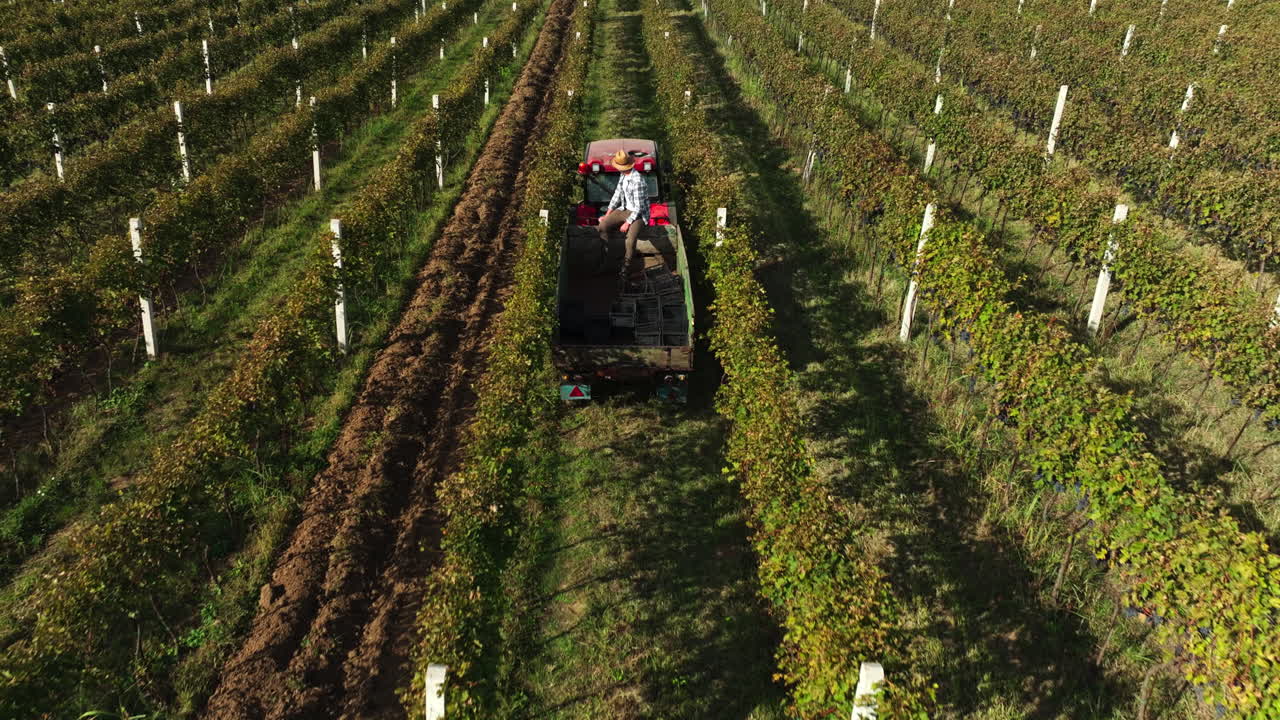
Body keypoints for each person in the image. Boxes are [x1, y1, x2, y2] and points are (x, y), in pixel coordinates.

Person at [597, 149, 650, 291]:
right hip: (624, 209)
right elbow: (617, 194)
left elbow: (639, 207)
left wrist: (628, 222)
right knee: (602, 226)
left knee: (630, 241)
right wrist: (608, 214)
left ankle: (625, 271)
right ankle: (607, 259)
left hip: (638, 214)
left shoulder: (638, 181)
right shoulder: (623, 175)